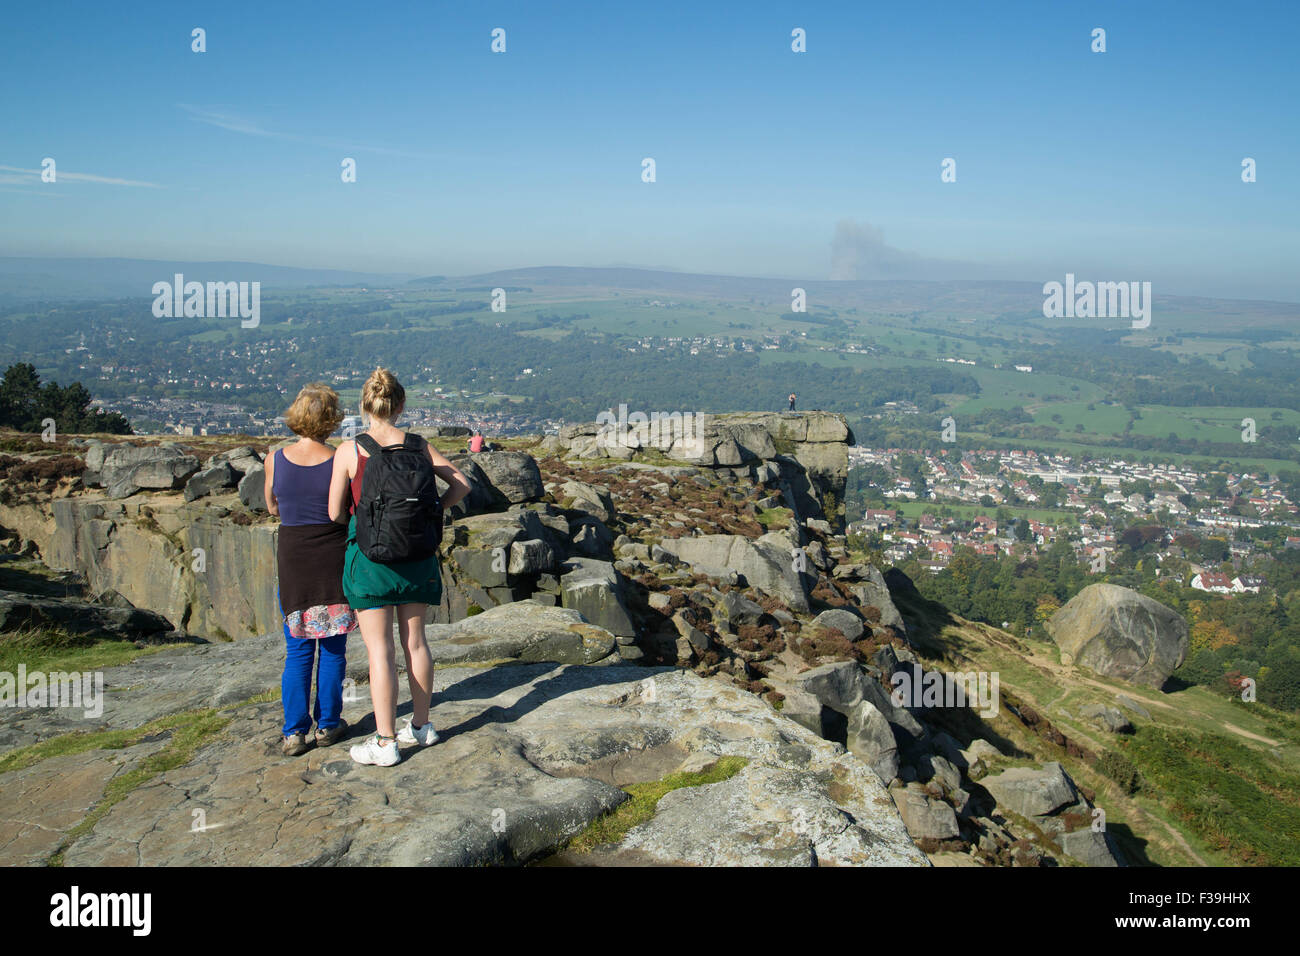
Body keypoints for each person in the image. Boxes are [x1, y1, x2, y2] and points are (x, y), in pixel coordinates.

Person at [329, 368, 472, 767]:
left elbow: (332, 511)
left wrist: (362, 522)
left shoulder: (351, 450)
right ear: (402, 405)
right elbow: (462, 483)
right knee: (417, 643)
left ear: (364, 406)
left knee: (380, 651)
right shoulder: (419, 447)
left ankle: (385, 740)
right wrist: (434, 511)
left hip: (371, 561)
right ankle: (422, 727)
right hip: (417, 557)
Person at [265, 383, 356, 757]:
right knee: (334, 649)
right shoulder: (339, 458)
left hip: (294, 558)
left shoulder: (275, 458)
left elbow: (272, 507)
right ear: (331, 420)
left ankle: (294, 732)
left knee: (298, 649)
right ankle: (329, 725)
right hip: (332, 556)